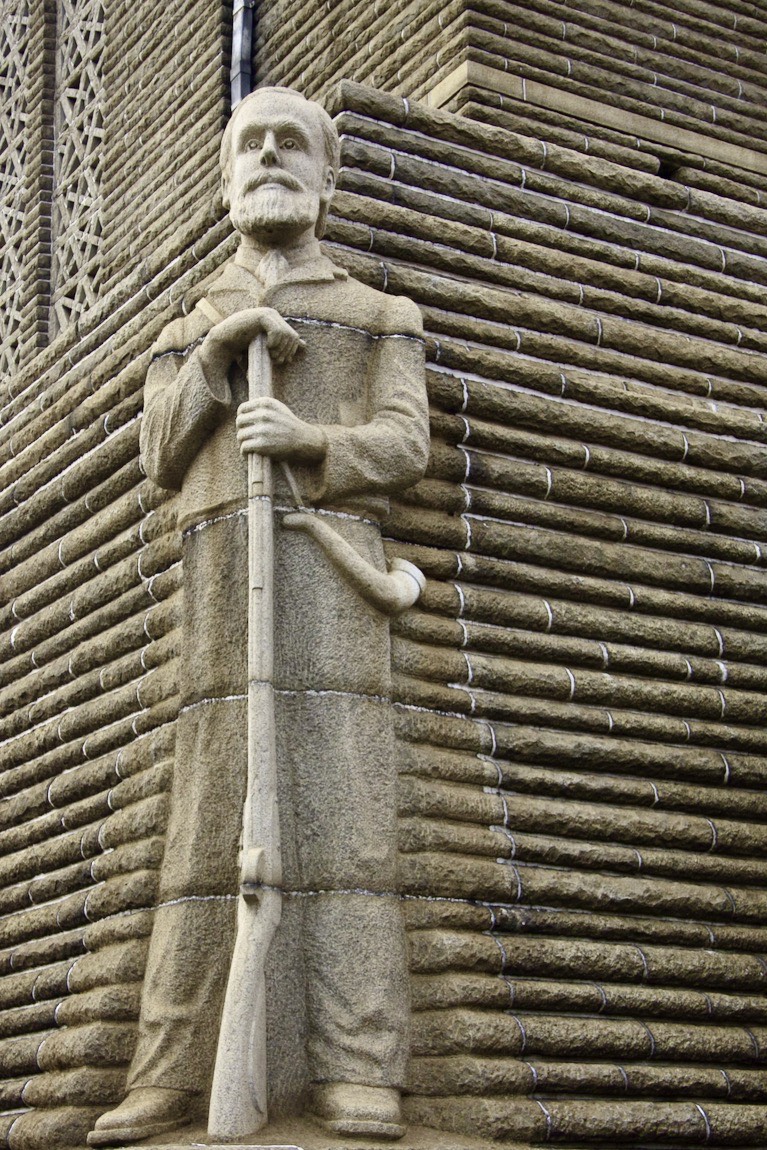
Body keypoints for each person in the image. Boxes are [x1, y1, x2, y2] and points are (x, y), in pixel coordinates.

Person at [87, 86, 429, 1146]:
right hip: (219, 590)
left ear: (326, 178)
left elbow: (405, 443)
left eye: (294, 143)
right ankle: (170, 1065)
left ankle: (360, 1060)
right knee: (205, 816)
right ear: (224, 178)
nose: (271, 154)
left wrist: (311, 441)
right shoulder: (185, 322)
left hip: (332, 580)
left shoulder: (379, 313)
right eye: (251, 141)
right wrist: (215, 350)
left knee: (344, 809)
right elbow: (155, 452)